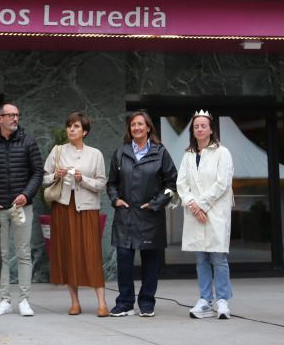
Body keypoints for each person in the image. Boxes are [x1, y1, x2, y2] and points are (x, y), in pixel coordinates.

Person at [107, 110, 178, 317]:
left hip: (150, 216)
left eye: (140, 124)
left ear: (148, 127)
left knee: (150, 262)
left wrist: (156, 203)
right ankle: (125, 302)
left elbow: (171, 184)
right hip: (125, 215)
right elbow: (111, 183)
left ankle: (147, 302)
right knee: (124, 259)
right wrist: (115, 199)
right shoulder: (121, 152)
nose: (136, 128)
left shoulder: (160, 152)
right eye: (132, 125)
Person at [0, 103, 44, 317]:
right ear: (0, 118)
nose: (15, 118)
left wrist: (27, 194)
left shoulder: (28, 141)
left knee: (23, 253)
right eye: (10, 115)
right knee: (1, 255)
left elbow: (38, 172)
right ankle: (4, 299)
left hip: (22, 206)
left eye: (17, 115)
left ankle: (24, 300)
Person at [43, 112, 108, 316]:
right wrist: (56, 175)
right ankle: (74, 302)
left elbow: (101, 183)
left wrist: (83, 180)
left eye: (76, 126)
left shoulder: (95, 154)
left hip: (87, 208)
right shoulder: (58, 151)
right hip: (63, 206)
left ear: (85, 131)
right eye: (69, 126)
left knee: (91, 253)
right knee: (68, 252)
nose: (71, 129)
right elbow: (43, 179)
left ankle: (102, 303)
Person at [177, 111, 234, 319]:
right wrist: (193, 205)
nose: (200, 129)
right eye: (196, 126)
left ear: (211, 129)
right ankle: (204, 299)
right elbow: (181, 183)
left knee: (218, 258)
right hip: (195, 214)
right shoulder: (188, 155)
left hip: (215, 212)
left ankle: (222, 300)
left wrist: (201, 205)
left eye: (203, 126)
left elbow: (222, 183)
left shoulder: (222, 153)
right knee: (201, 258)